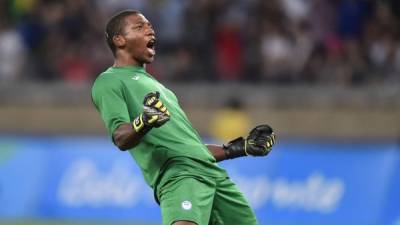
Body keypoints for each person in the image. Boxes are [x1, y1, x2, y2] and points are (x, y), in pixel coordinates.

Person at [91, 10, 276, 225]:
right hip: (180, 175)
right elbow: (120, 137)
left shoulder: (161, 89)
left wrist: (240, 148)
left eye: (150, 25)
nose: (150, 29)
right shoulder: (109, 81)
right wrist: (145, 121)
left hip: (215, 177)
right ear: (119, 40)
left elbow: (192, 149)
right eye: (140, 27)